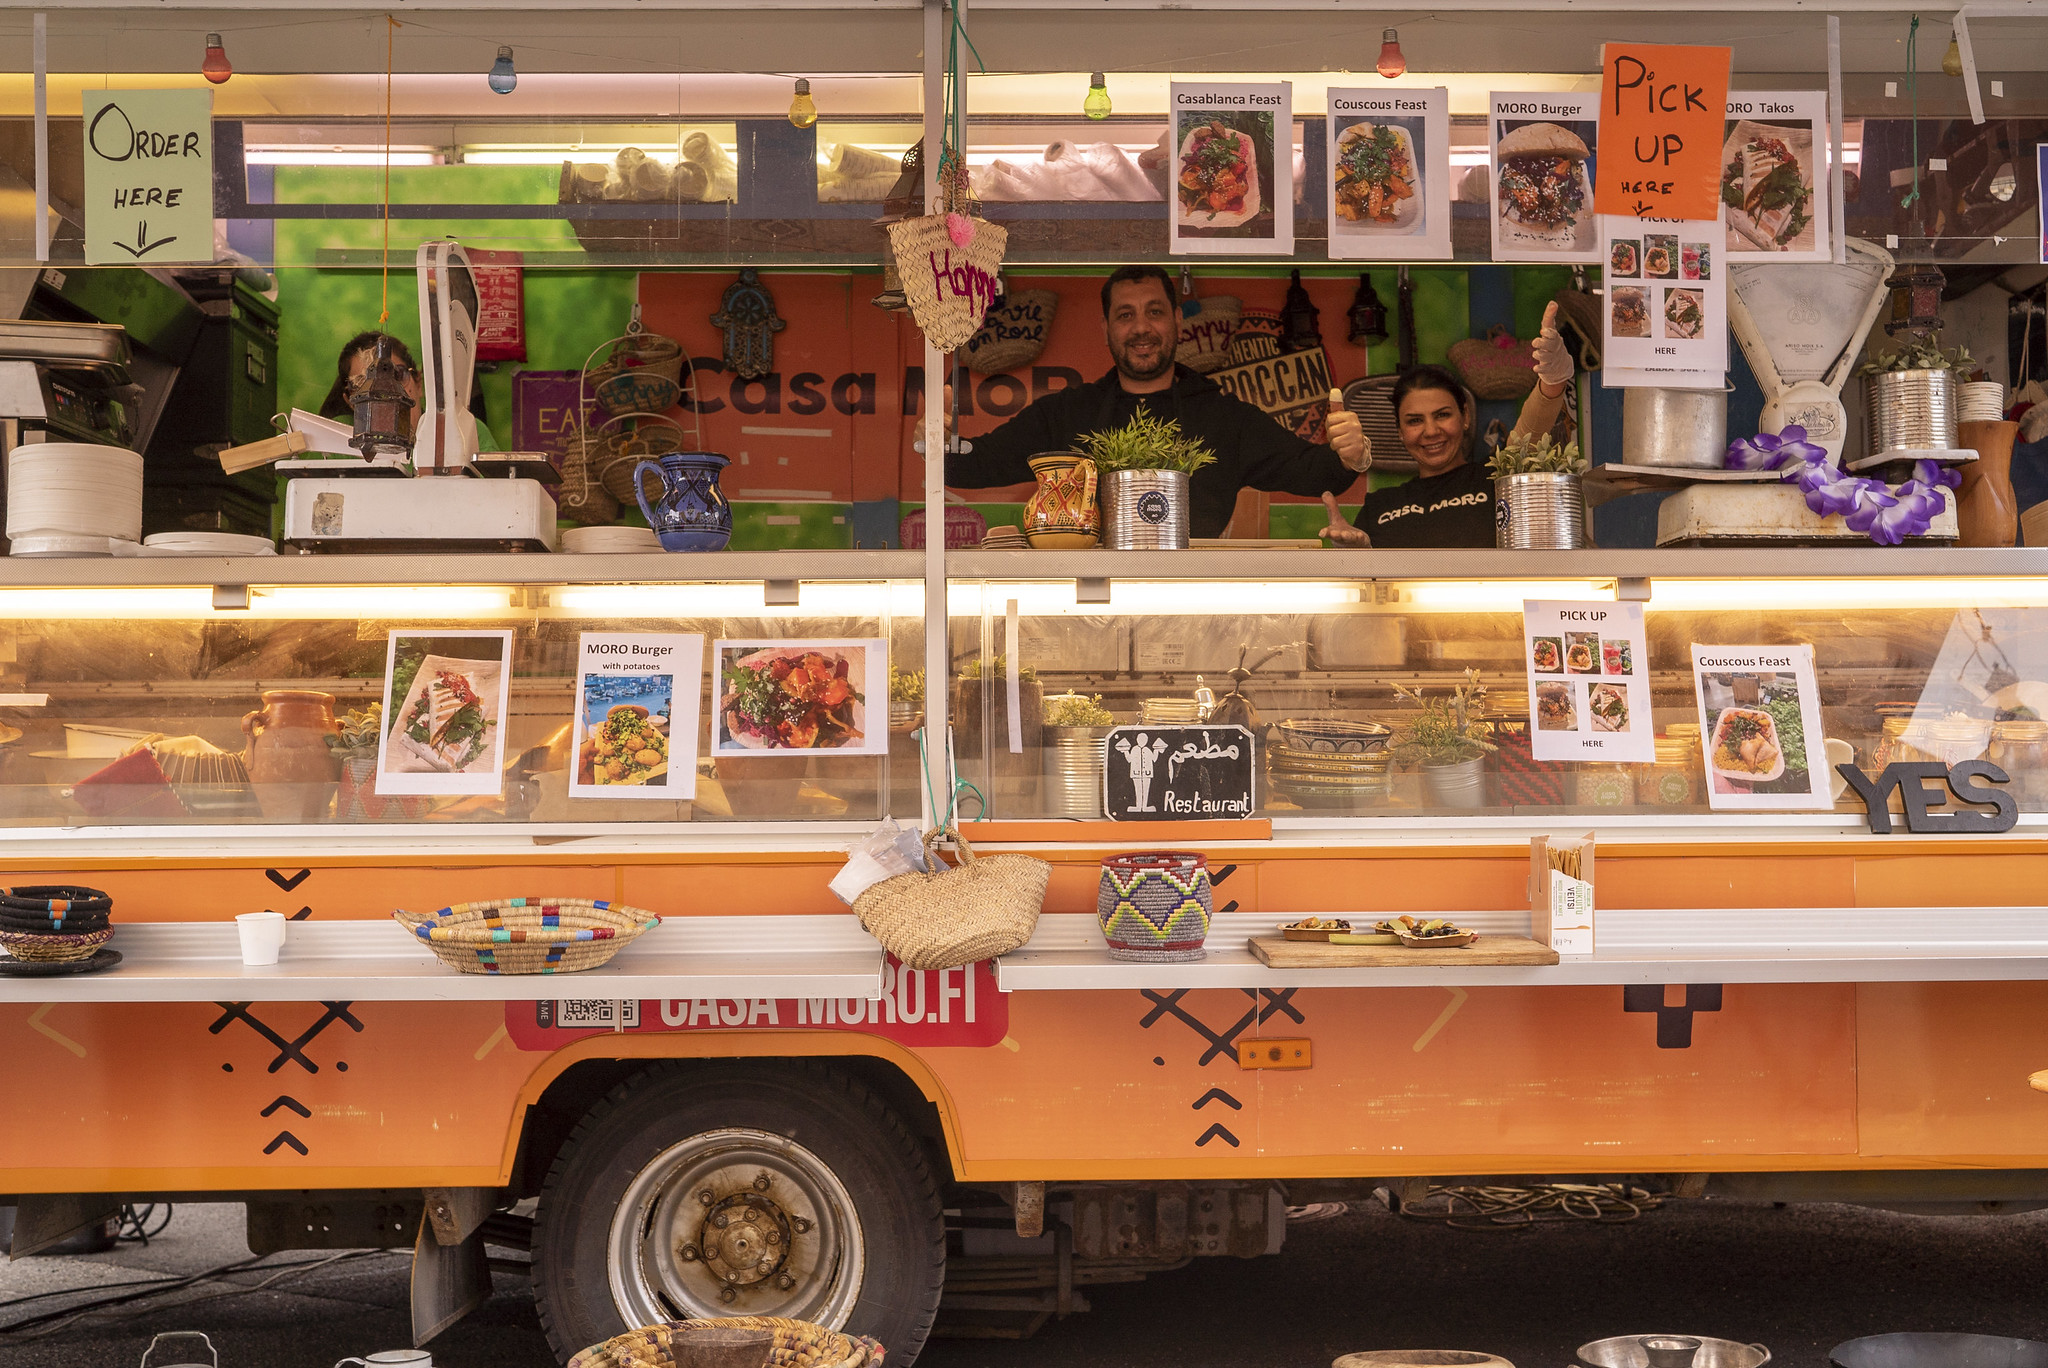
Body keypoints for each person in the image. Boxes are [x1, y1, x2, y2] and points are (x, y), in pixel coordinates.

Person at [943, 265, 1371, 539]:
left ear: (1178, 320)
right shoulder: (1066, 414)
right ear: (1106, 329)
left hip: (1189, 596)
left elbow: (1317, 475)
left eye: (1155, 312)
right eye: (1125, 315)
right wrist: (936, 442)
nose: (1141, 328)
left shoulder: (1223, 416)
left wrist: (1350, 455)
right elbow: (971, 464)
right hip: (1083, 595)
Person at [1318, 302, 1576, 548]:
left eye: (1442, 415)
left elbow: (1528, 434)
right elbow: (1372, 586)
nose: (1430, 431)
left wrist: (1552, 380)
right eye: (1415, 421)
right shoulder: (1379, 506)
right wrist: (1356, 555)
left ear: (1465, 417)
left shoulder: (1498, 480)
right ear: (1400, 431)